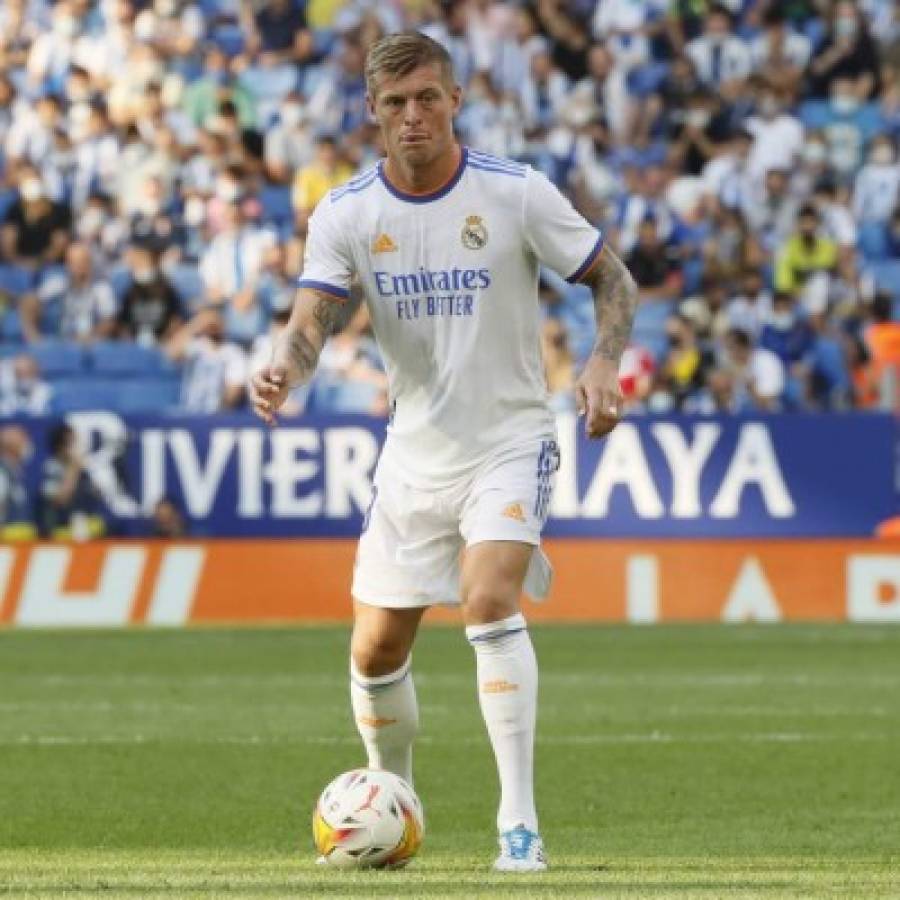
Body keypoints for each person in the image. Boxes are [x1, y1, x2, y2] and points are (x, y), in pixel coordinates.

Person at [249, 32, 637, 872]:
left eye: (428, 97)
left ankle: (519, 826)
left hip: (510, 439)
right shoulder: (349, 213)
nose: (413, 116)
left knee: (488, 598)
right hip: (413, 455)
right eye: (395, 103)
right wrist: (285, 366)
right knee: (374, 651)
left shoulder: (514, 193)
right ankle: (392, 803)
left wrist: (603, 361)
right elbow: (312, 322)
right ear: (373, 112)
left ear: (456, 99)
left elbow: (612, 276)